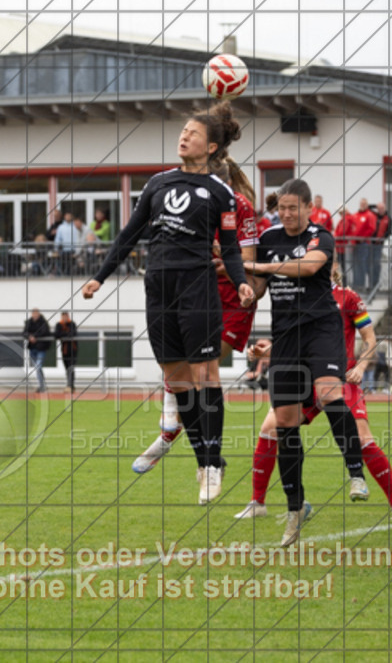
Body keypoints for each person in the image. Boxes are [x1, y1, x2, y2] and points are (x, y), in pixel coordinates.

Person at [83, 101, 254, 505]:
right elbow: (128, 234)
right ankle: (204, 460)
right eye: (183, 131)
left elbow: (231, 249)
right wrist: (99, 276)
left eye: (193, 133)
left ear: (211, 147)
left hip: (197, 289)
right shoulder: (158, 183)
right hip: (158, 290)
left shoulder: (221, 193)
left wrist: (242, 283)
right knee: (177, 382)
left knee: (206, 376)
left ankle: (211, 465)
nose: (184, 136)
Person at [239, 178, 368, 546]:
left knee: (328, 394)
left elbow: (308, 268)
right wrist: (248, 289)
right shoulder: (268, 239)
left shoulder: (320, 236)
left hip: (321, 330)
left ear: (309, 208)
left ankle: (355, 473)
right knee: (284, 422)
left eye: (293, 208)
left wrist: (260, 267)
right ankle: (295, 510)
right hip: (286, 336)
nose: (286, 214)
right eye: (281, 208)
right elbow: (259, 287)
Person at [235, 262, 392, 523]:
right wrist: (267, 351)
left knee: (363, 439)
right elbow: (295, 342)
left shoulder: (348, 297)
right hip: (306, 380)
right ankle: (258, 502)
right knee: (270, 429)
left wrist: (361, 367)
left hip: (340, 379)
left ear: (332, 265)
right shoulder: (299, 296)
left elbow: (370, 339)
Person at [129, 155, 260, 484]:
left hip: (231, 302)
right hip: (197, 293)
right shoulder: (184, 201)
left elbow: (246, 260)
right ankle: (203, 455)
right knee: (181, 370)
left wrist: (214, 259)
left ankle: (171, 433)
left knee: (201, 375)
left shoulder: (237, 205)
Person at [351, 198, 377, 292]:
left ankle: (363, 285)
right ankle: (357, 284)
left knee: (363, 264)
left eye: (364, 204)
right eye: (361, 203)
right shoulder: (355, 215)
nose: (362, 205)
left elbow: (371, 228)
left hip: (364, 244)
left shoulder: (370, 215)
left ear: (367, 205)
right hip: (355, 244)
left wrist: (363, 238)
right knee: (355, 265)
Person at [23, 308, 51, 393]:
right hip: (32, 348)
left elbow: (45, 332)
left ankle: (42, 387)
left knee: (38, 366)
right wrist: (29, 337)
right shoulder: (28, 322)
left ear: (39, 314)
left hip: (41, 348)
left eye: (36, 314)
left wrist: (34, 337)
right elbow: (24, 333)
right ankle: (42, 385)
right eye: (33, 314)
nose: (35, 315)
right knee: (38, 368)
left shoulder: (43, 322)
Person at [54, 311, 78, 392]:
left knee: (71, 367)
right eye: (63, 317)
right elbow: (56, 335)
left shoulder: (72, 324)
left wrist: (63, 334)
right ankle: (71, 385)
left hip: (73, 350)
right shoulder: (59, 325)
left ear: (68, 316)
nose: (65, 318)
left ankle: (69, 386)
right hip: (64, 350)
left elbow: (73, 333)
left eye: (66, 316)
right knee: (67, 368)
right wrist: (66, 334)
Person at [371, 202, 392, 292]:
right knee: (371, 265)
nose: (380, 210)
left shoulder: (388, 218)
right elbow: (368, 207)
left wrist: (381, 239)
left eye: (382, 208)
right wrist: (375, 205)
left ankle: (377, 284)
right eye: (379, 208)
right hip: (372, 245)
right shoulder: (374, 216)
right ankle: (372, 284)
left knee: (378, 265)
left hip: (381, 245)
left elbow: (389, 231)